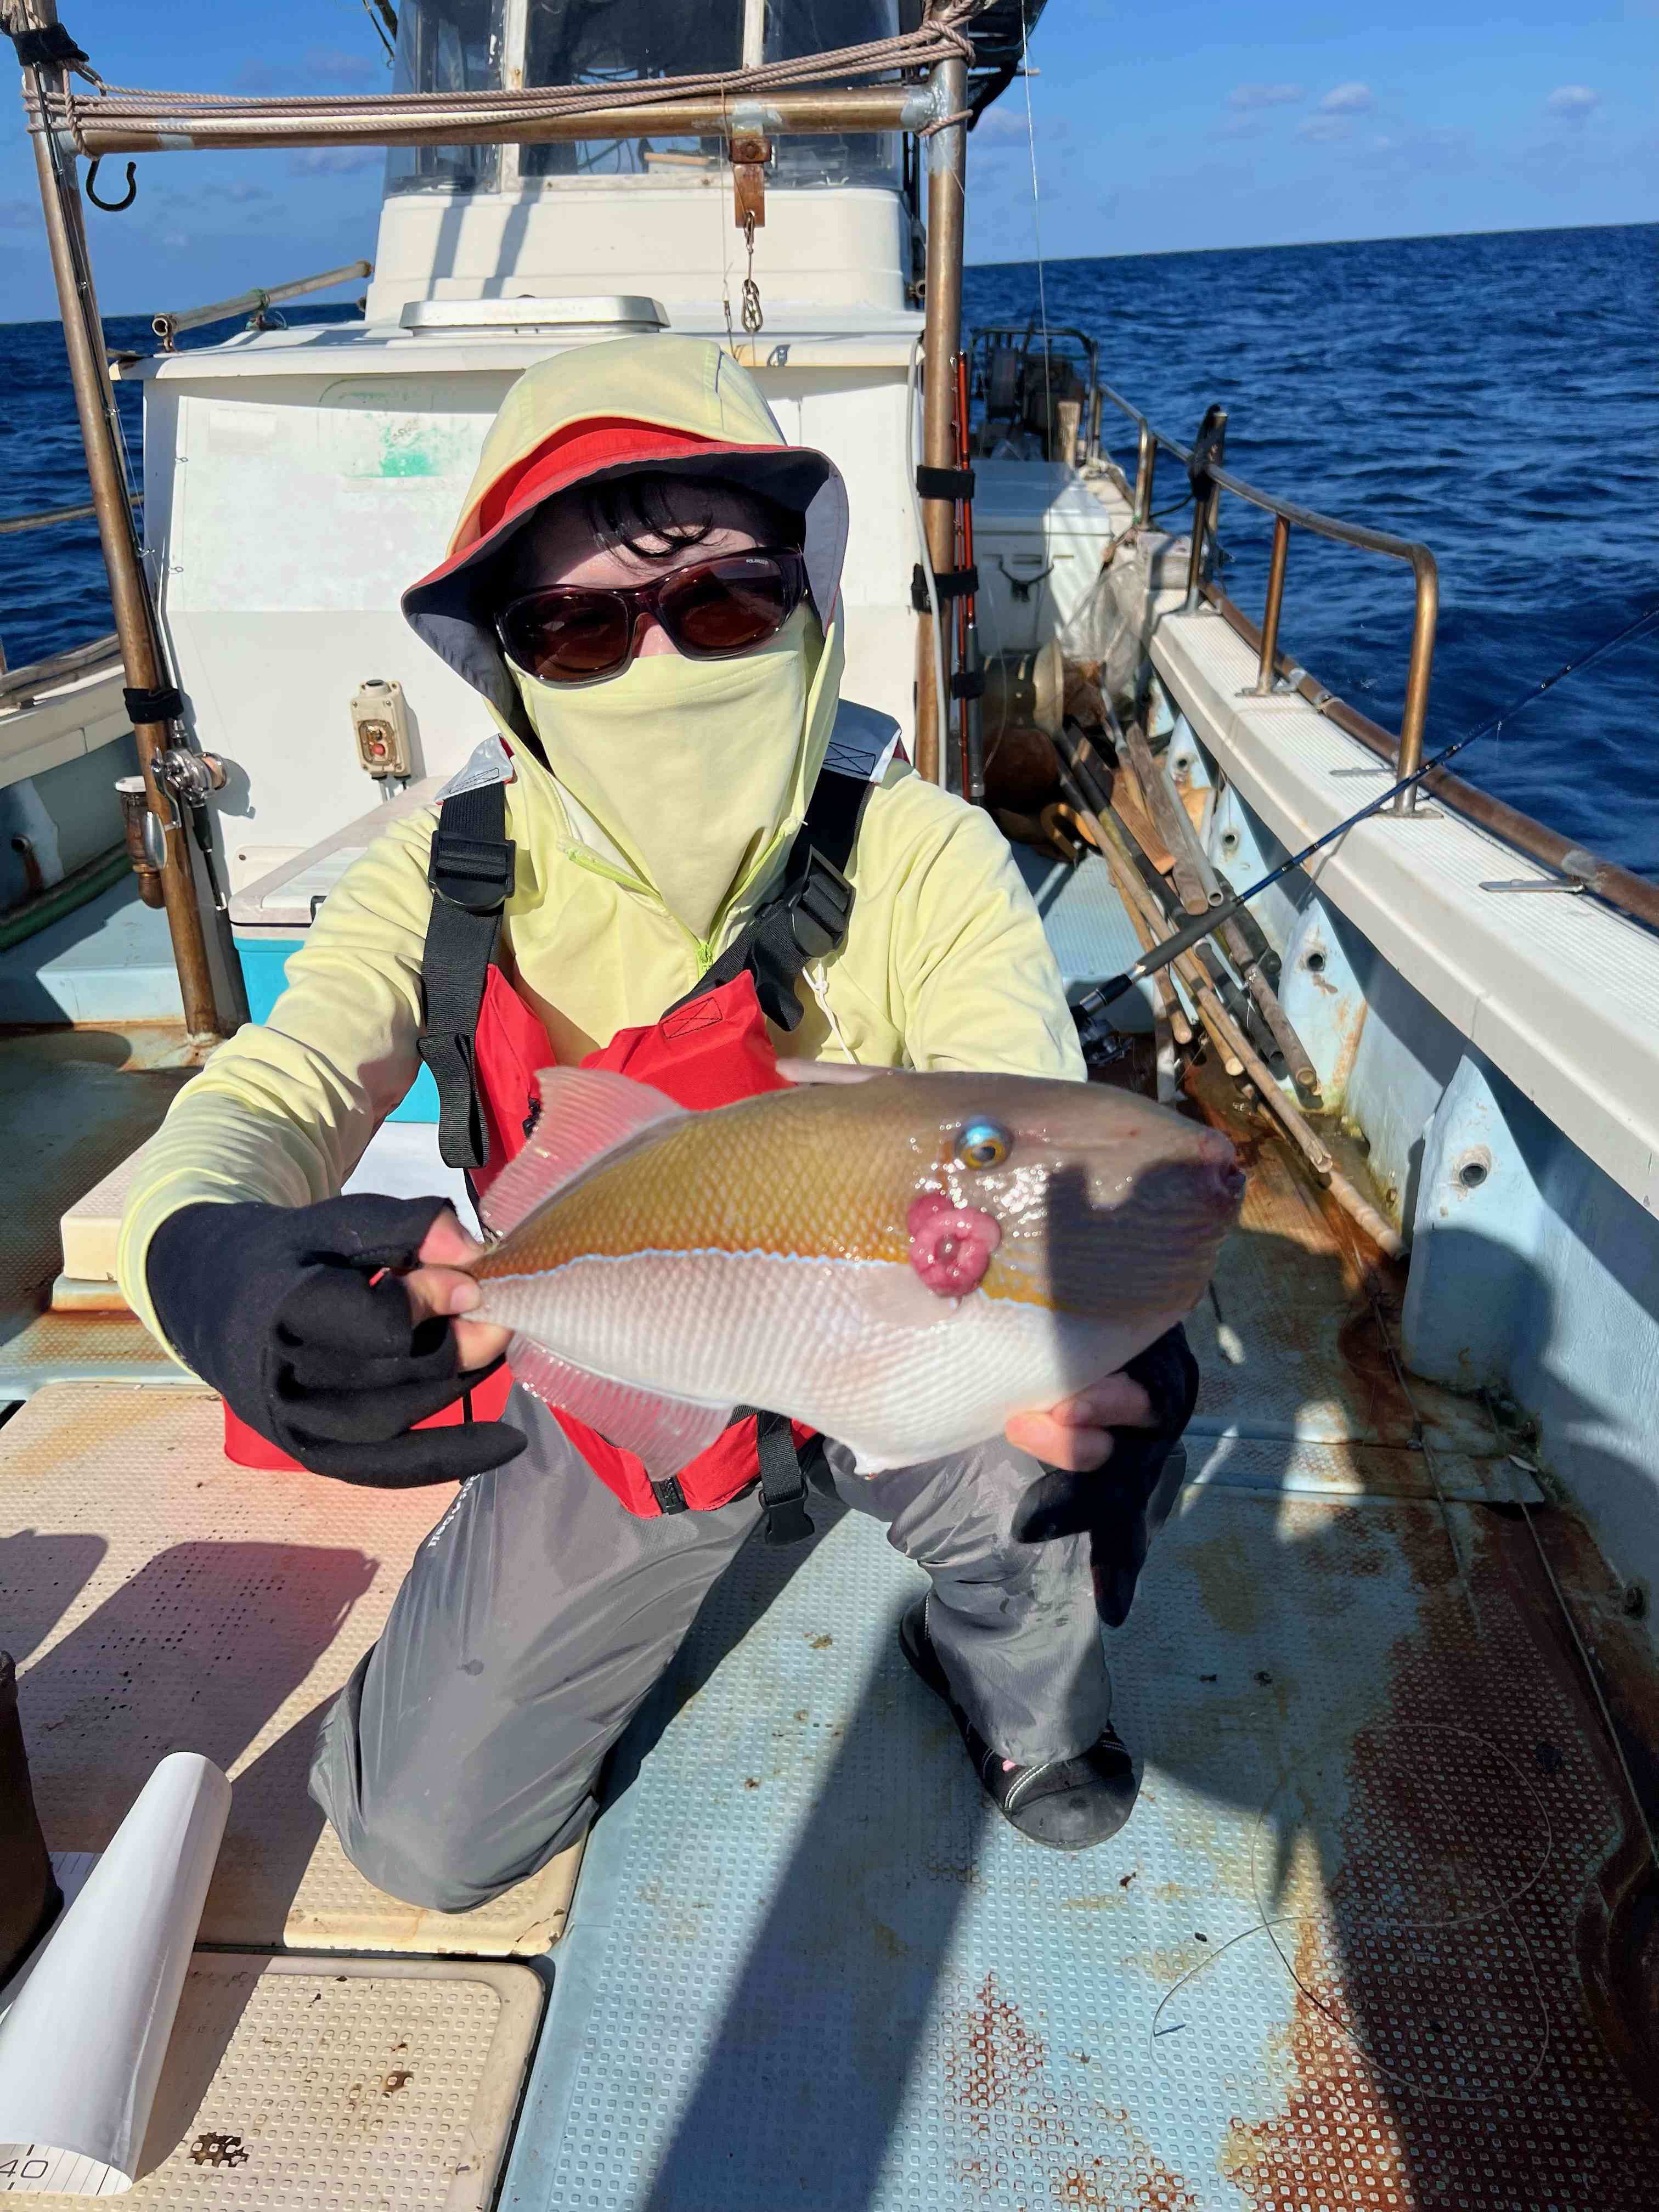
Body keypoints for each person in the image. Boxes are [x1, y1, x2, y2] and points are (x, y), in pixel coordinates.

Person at [117, 335, 1198, 1908]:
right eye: (573, 629)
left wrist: (1095, 1330)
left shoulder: (923, 854)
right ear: (507, 666)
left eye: (723, 603)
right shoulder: (443, 875)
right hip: (618, 1359)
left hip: (899, 1341)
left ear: (805, 610)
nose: (660, 665)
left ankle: (1014, 1697)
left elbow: (1005, 1105)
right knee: (419, 1845)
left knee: (1061, 1475)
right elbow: (277, 1092)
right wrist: (202, 1262)